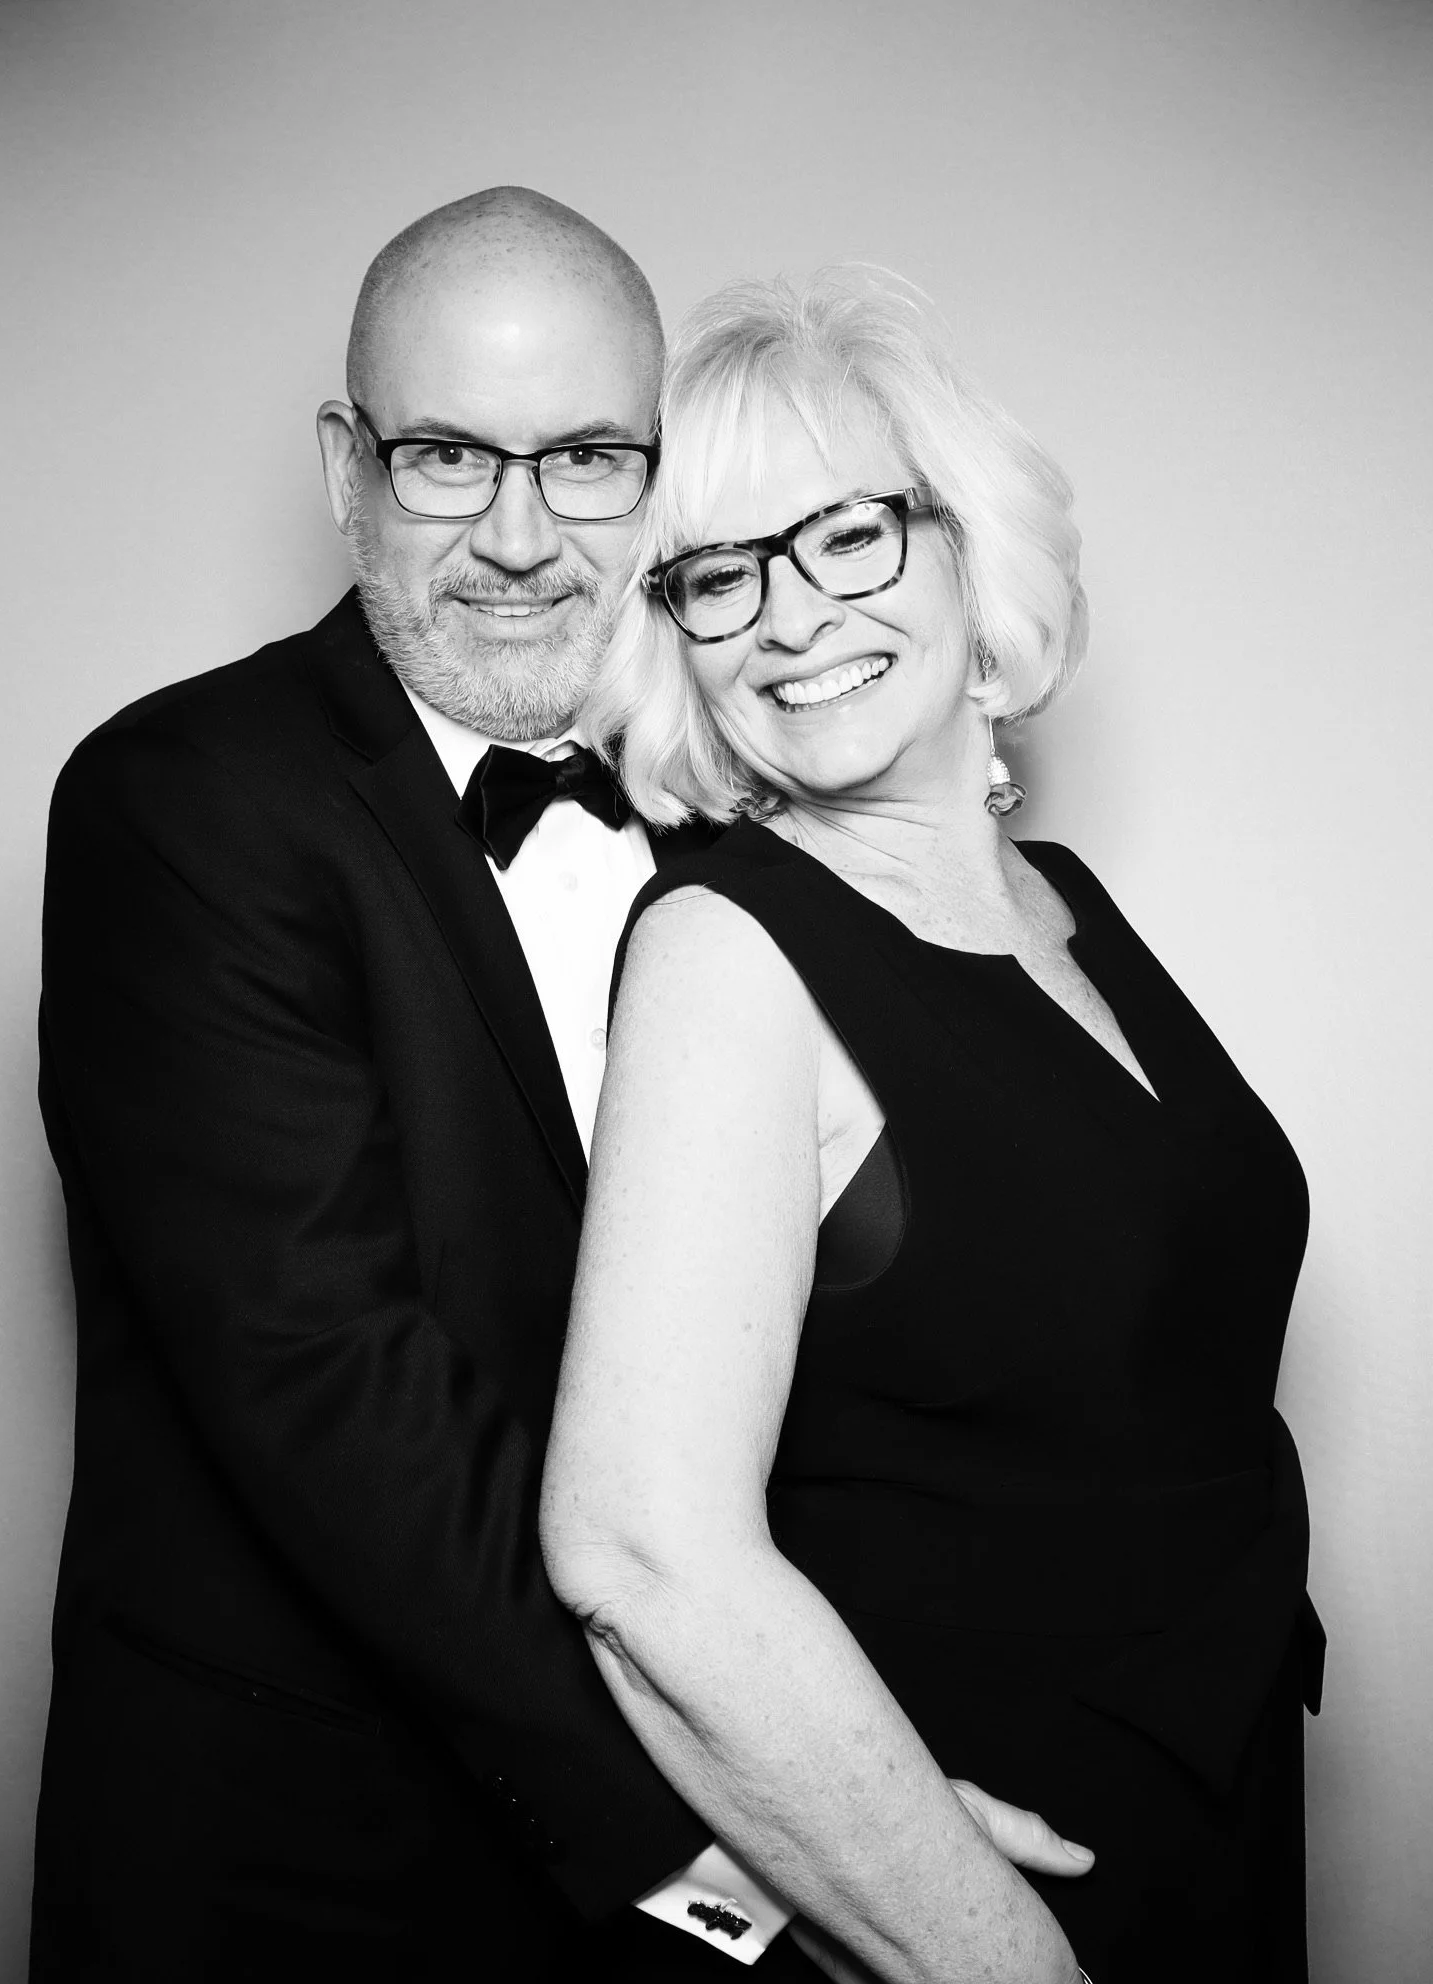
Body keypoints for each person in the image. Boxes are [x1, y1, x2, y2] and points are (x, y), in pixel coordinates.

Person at [28, 187, 837, 1980]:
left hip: (711, 1820)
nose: (525, 538)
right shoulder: (181, 803)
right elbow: (335, 1388)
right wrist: (764, 1847)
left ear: (666, 475)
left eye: (591, 461)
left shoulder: (762, 815)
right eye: (451, 459)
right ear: (347, 467)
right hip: (306, 1874)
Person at [541, 268, 1327, 1983]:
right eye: (719, 575)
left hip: (1213, 1807)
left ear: (972, 550)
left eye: (849, 536)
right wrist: (989, 1957)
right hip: (960, 1886)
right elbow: (640, 1552)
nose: (786, 614)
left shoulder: (1070, 904)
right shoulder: (725, 950)